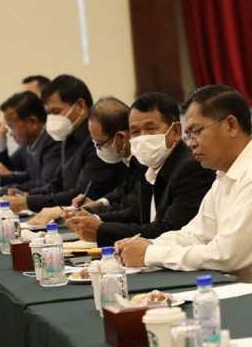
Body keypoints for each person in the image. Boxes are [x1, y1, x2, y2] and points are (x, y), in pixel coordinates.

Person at [117, 85, 252, 308]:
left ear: (231, 125)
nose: (191, 142)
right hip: (247, 298)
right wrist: (146, 244)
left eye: (197, 131)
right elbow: (196, 234)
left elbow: (227, 255)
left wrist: (151, 254)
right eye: (188, 135)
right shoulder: (225, 175)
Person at [66, 92, 215, 247]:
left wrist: (100, 230)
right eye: (135, 132)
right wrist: (94, 219)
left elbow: (169, 230)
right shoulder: (150, 166)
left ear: (176, 131)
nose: (143, 137)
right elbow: (137, 213)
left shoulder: (191, 168)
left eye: (150, 129)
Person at [3, 75, 126, 213]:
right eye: (48, 113)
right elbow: (56, 184)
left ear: (80, 106)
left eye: (56, 112)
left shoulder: (98, 141)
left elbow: (83, 194)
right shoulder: (67, 136)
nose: (51, 118)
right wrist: (27, 196)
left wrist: (27, 202)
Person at [0, 92, 61, 197]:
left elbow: (45, 185)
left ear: (32, 123)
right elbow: (28, 176)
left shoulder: (53, 142)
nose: (10, 133)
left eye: (11, 127)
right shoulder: (31, 143)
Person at [0, 75, 51, 175]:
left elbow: (44, 182)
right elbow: (10, 168)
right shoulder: (29, 138)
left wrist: (8, 176)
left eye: (29, 95)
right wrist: (1, 136)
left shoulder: (52, 137)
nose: (23, 99)